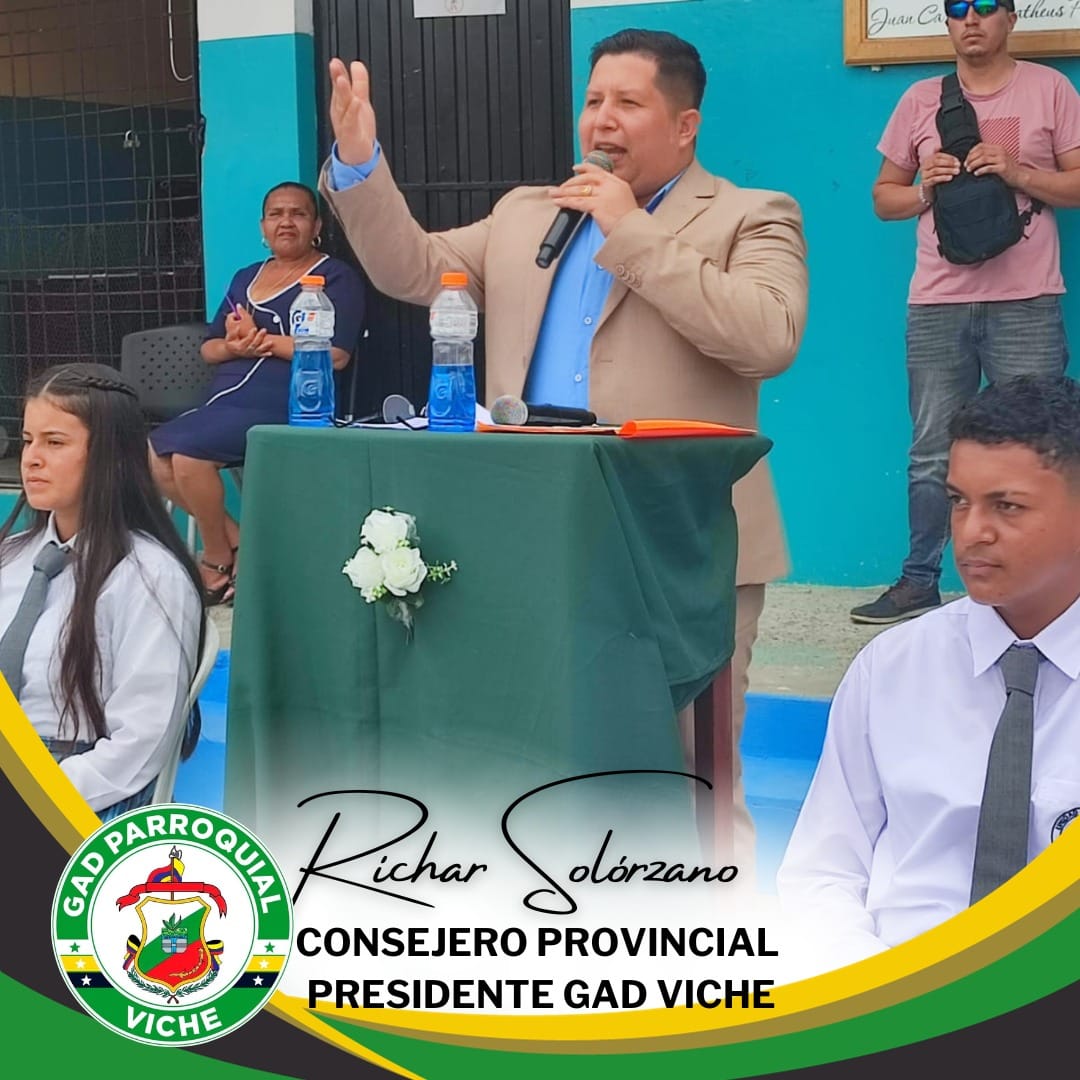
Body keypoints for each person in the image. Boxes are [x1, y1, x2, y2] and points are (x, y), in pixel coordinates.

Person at [322, 29, 809, 869]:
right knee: (539, 750)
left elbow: (767, 336)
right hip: (532, 530)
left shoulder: (750, 214)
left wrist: (630, 229)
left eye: (628, 103)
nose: (601, 121)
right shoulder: (528, 213)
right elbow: (416, 270)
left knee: (692, 769)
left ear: (685, 125)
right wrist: (361, 162)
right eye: (593, 101)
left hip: (680, 543)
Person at [781, 375, 1080, 964]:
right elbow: (823, 873)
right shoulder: (891, 668)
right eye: (958, 501)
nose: (971, 533)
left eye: (1008, 506)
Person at [851, 1, 1080, 626]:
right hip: (937, 302)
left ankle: (1048, 582)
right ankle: (918, 581)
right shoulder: (920, 99)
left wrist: (1018, 171)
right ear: (946, 22)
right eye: (956, 8)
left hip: (1027, 300)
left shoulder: (1050, 89)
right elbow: (883, 199)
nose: (970, 18)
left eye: (984, 6)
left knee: (1039, 446)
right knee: (931, 450)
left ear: (1011, 18)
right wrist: (923, 187)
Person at [0, 364, 205, 820]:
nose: (31, 458)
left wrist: (33, 795)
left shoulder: (150, 577)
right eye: (29, 440)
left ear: (111, 456)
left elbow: (139, 743)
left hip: (73, 789)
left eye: (55, 443)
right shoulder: (11, 557)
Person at [148, 182, 366, 604]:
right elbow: (210, 349)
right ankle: (240, 543)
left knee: (189, 458)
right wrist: (236, 346)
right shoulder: (245, 277)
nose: (286, 222)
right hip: (225, 399)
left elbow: (337, 354)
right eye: (276, 214)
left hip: (288, 400)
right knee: (151, 457)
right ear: (263, 227)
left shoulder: (336, 277)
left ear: (316, 226)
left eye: (298, 214)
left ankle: (215, 559)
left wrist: (260, 340)